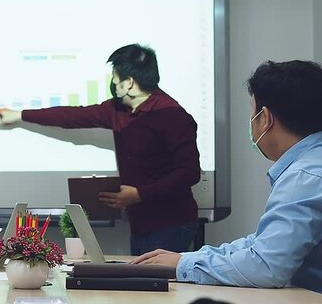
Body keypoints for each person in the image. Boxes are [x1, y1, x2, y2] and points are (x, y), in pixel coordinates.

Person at [0, 44, 201, 255]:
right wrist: (19, 115)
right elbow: (72, 116)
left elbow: (189, 172)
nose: (113, 83)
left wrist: (140, 194)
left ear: (129, 82)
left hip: (171, 223)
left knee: (160, 284)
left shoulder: (172, 115)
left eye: (115, 77)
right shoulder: (118, 110)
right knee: (141, 283)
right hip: (140, 222)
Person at [131, 60, 322, 293]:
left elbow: (266, 266)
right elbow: (263, 245)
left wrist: (183, 264)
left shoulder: (304, 176)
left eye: (251, 111)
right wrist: (185, 258)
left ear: (265, 118)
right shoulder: (311, 166)